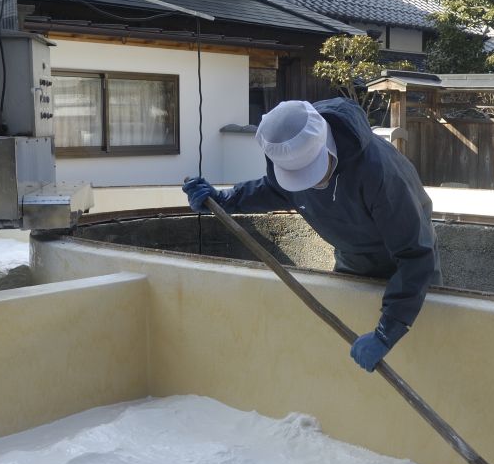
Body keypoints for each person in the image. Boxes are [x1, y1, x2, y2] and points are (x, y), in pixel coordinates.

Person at [183, 98, 439, 373]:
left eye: (314, 173)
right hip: (352, 260)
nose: (313, 184)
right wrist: (225, 199)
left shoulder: (380, 172)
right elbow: (275, 190)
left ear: (327, 144)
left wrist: (389, 330)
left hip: (407, 266)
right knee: (346, 352)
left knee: (421, 354)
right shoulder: (286, 158)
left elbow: (415, 255)